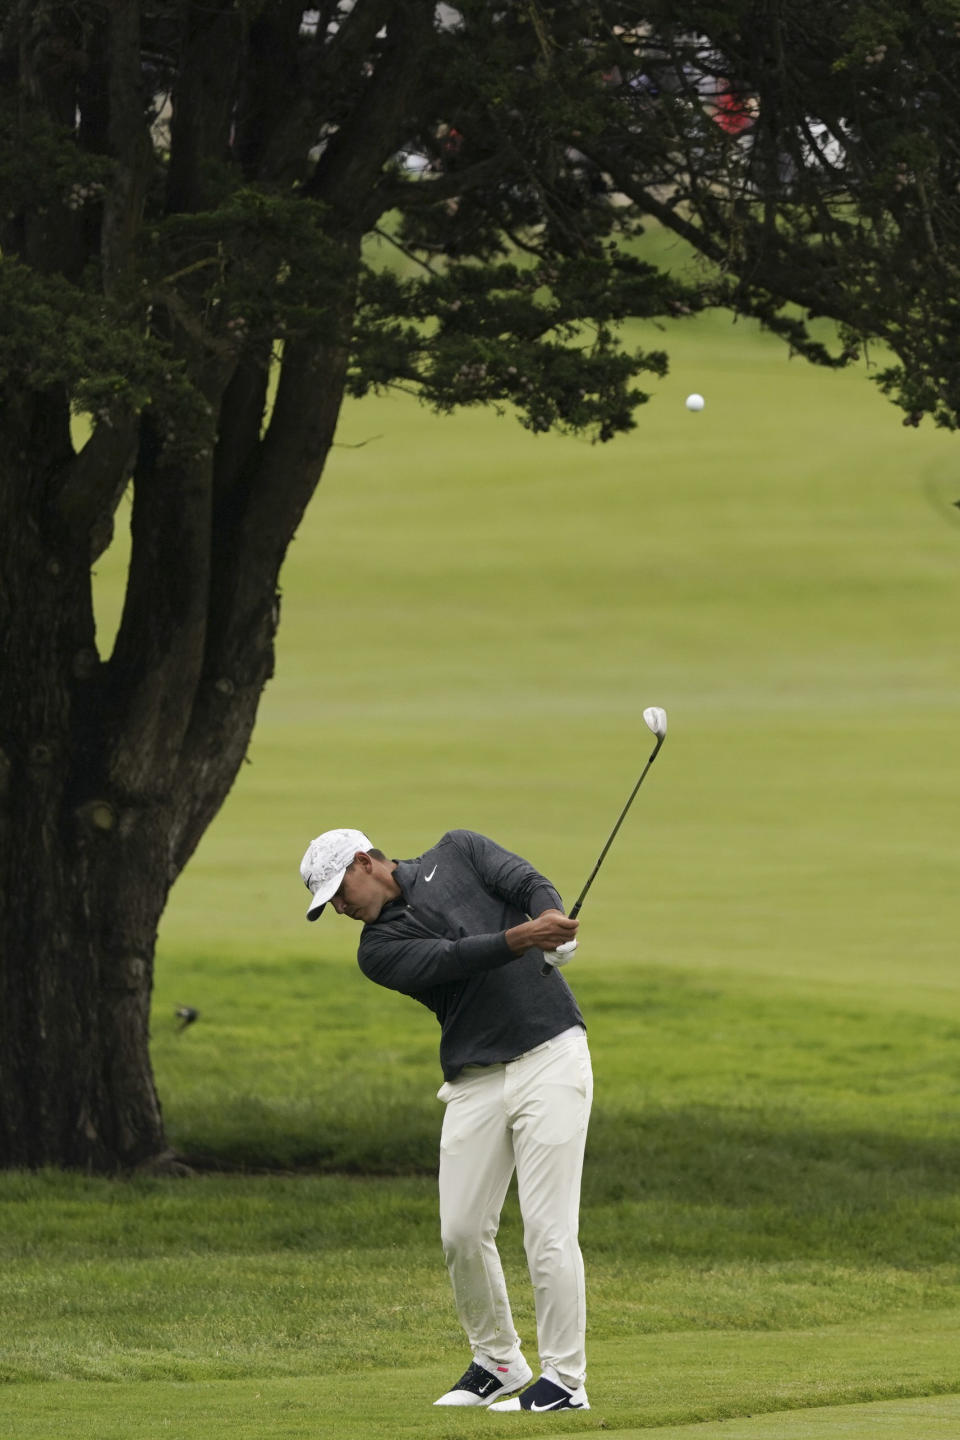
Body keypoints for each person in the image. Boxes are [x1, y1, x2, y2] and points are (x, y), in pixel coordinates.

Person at [299, 826, 593, 1413]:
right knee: (460, 1231)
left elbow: (526, 881)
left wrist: (552, 923)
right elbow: (454, 959)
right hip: (475, 1077)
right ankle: (500, 1361)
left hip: (550, 1054)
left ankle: (565, 1381)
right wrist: (524, 937)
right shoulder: (375, 951)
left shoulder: (458, 850)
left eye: (338, 890)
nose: (338, 906)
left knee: (548, 1230)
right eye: (328, 901)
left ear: (365, 861)